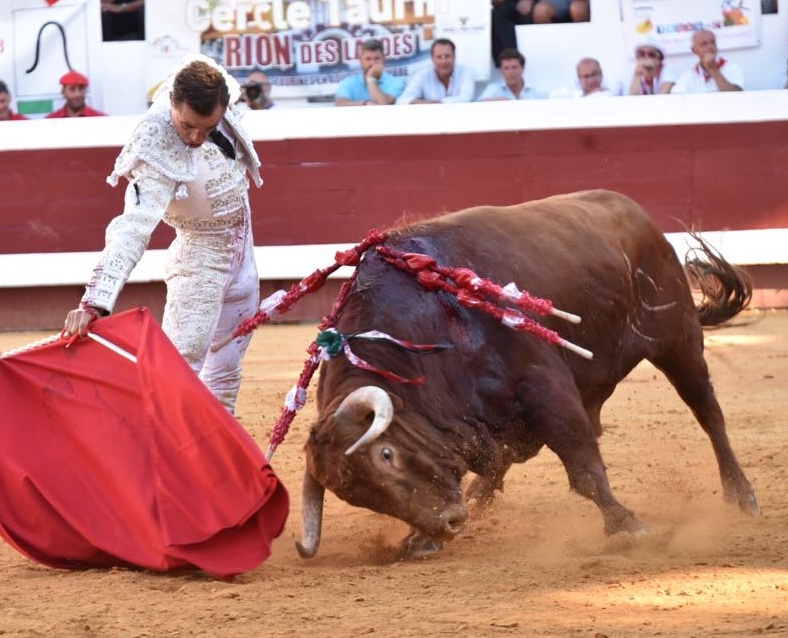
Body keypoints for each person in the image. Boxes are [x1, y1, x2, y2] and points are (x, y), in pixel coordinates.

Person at [62, 55, 263, 414]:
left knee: (226, 379)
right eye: (187, 125)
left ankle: (214, 465)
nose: (196, 137)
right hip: (200, 266)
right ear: (172, 102)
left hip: (245, 264)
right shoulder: (156, 142)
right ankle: (163, 464)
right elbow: (133, 227)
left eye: (208, 126)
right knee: (176, 376)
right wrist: (95, 300)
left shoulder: (219, 91)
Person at [396, 38, 475, 104]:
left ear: (454, 56)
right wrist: (418, 102)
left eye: (447, 56)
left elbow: (465, 99)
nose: (443, 61)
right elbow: (401, 101)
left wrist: (437, 104)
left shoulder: (466, 72)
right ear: (432, 59)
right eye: (439, 57)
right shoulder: (423, 74)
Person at [334, 38, 404, 106]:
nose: (372, 63)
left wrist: (370, 78)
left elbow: (384, 104)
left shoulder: (396, 82)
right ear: (361, 61)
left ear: (384, 59)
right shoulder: (348, 83)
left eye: (377, 58)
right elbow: (340, 103)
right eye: (368, 59)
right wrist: (366, 103)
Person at [672, 29, 743, 93]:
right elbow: (676, 99)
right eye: (704, 44)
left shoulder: (731, 67)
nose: (710, 46)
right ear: (694, 50)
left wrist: (713, 69)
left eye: (713, 42)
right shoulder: (688, 75)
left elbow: (736, 96)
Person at [477, 48, 544, 100]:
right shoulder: (493, 90)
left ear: (522, 69)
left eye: (514, 67)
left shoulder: (536, 92)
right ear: (501, 71)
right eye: (506, 68)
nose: (511, 72)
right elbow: (476, 108)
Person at [549, 57, 621, 98]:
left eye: (594, 74)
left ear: (601, 73)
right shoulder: (573, 85)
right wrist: (586, 94)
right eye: (586, 77)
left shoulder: (613, 82)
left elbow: (610, 95)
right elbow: (553, 96)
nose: (591, 80)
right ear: (579, 78)